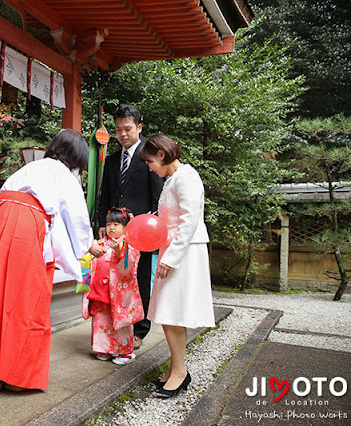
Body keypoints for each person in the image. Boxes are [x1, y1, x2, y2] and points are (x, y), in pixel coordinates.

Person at [0, 129, 105, 392]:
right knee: (22, 301)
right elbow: (76, 218)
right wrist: (89, 245)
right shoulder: (64, 175)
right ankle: (14, 374)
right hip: (25, 229)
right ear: (76, 159)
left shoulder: (29, 169)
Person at [137, 134, 215, 398]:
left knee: (173, 313)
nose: (149, 167)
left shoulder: (187, 177)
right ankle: (177, 368)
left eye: (149, 162)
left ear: (161, 155)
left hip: (184, 254)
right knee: (169, 314)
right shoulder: (174, 179)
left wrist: (170, 259)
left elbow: (189, 221)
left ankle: (180, 372)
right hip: (172, 251)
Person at [96, 104, 164, 350]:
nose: (123, 134)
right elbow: (105, 194)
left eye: (128, 129)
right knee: (114, 279)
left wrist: (153, 225)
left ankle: (141, 329)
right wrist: (103, 222)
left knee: (140, 279)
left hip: (142, 231)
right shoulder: (113, 159)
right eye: (118, 130)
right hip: (115, 232)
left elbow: (158, 196)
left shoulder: (151, 156)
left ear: (139, 127)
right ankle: (117, 325)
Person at [83, 207, 143, 365]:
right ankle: (104, 349)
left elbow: (129, 267)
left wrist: (119, 251)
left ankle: (125, 351)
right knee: (101, 319)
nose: (111, 228)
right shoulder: (102, 243)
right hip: (101, 289)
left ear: (125, 227)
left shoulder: (129, 244)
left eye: (116, 224)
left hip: (118, 293)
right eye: (109, 224)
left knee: (119, 321)